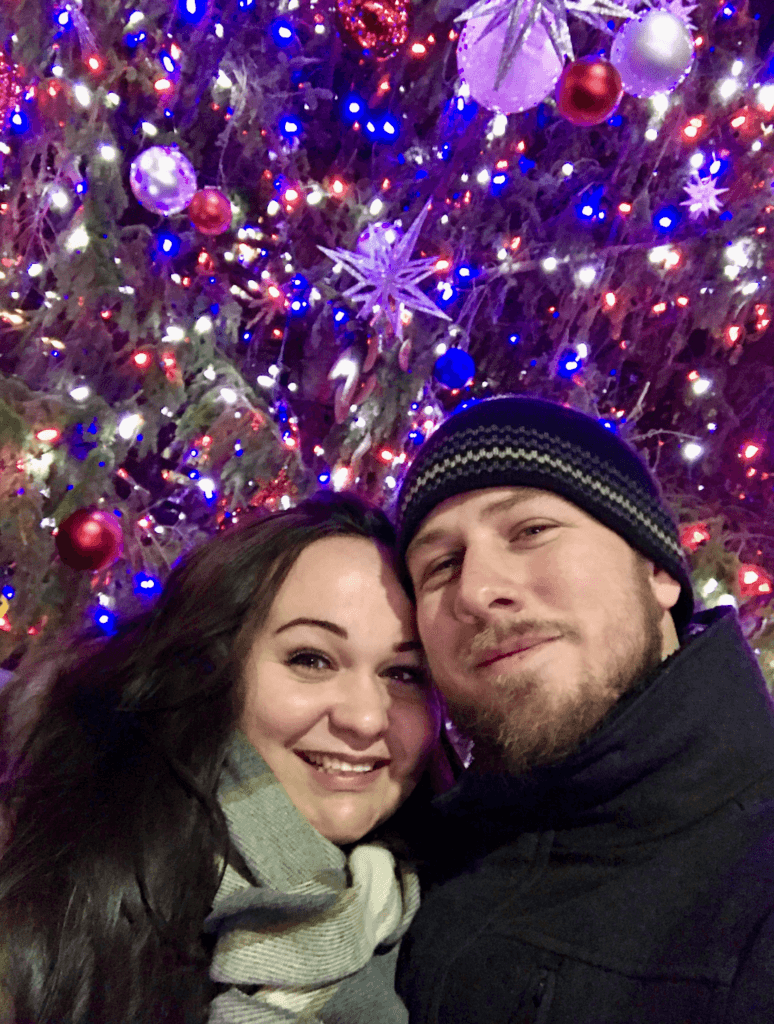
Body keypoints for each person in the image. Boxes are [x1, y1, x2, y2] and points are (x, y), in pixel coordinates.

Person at [393, 394, 774, 1024]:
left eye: (531, 531)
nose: (479, 592)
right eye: (442, 565)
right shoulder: (417, 860)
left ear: (657, 571)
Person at [0, 492, 444, 1024]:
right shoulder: (54, 878)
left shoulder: (446, 920)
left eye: (404, 674)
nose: (367, 719)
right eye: (312, 659)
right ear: (214, 668)